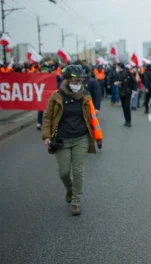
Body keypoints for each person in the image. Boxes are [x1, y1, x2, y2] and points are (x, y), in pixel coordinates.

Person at [42, 65, 103, 216]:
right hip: (62, 140)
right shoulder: (56, 96)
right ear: (67, 80)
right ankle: (70, 189)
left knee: (78, 170)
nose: (78, 84)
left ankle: (76, 201)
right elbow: (48, 117)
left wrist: (98, 137)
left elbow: (92, 118)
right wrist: (46, 136)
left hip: (81, 138)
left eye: (80, 81)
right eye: (75, 81)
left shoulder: (85, 96)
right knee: (63, 172)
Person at [115, 63, 137, 127]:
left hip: (127, 92)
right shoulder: (118, 73)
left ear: (120, 67)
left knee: (127, 106)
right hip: (121, 91)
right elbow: (119, 81)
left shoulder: (127, 73)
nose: (117, 68)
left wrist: (135, 89)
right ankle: (126, 121)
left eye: (117, 67)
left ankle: (129, 121)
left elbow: (133, 81)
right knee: (124, 107)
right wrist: (117, 83)